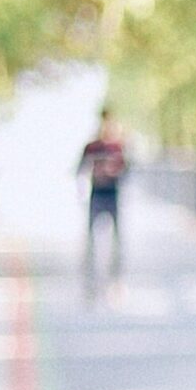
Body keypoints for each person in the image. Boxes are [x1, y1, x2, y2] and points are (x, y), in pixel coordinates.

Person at [76, 110, 128, 296]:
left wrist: (114, 171)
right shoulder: (92, 147)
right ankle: (89, 282)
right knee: (90, 239)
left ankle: (115, 282)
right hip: (96, 194)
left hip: (112, 194)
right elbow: (80, 169)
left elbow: (126, 170)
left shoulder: (117, 147)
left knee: (116, 239)